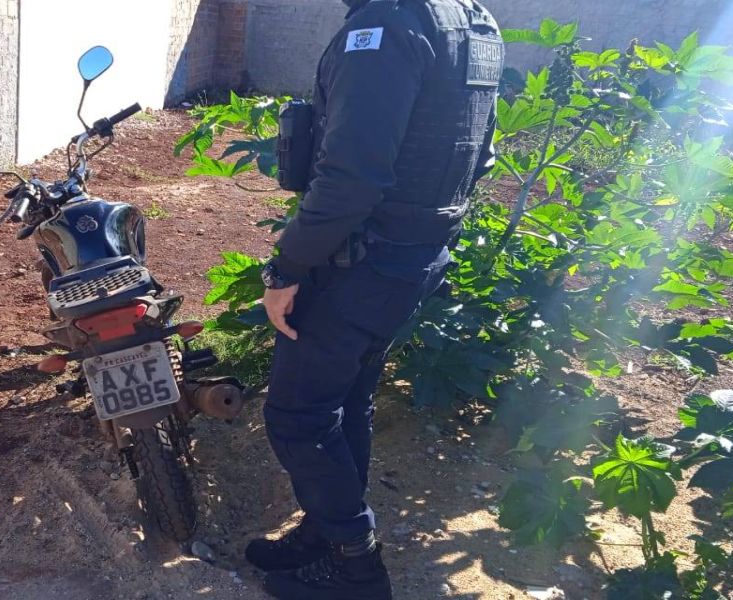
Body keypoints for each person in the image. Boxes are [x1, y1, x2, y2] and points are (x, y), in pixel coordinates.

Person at [247, 0, 503, 598]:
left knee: (298, 416)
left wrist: (287, 268)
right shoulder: (471, 20)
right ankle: (325, 534)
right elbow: (480, 153)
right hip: (412, 258)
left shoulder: (384, 28)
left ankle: (354, 568)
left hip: (360, 263)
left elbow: (351, 178)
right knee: (346, 399)